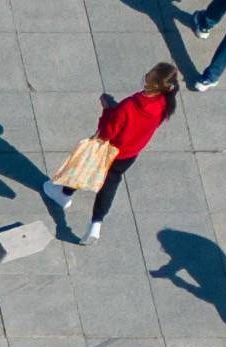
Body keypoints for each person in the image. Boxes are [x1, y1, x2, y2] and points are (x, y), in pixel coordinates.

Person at [41, 69, 175, 246]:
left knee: (84, 166)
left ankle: (64, 194)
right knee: (110, 184)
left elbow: (107, 132)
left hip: (111, 148)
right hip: (130, 153)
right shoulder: (165, 104)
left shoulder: (130, 105)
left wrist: (107, 110)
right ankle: (95, 224)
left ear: (151, 82)